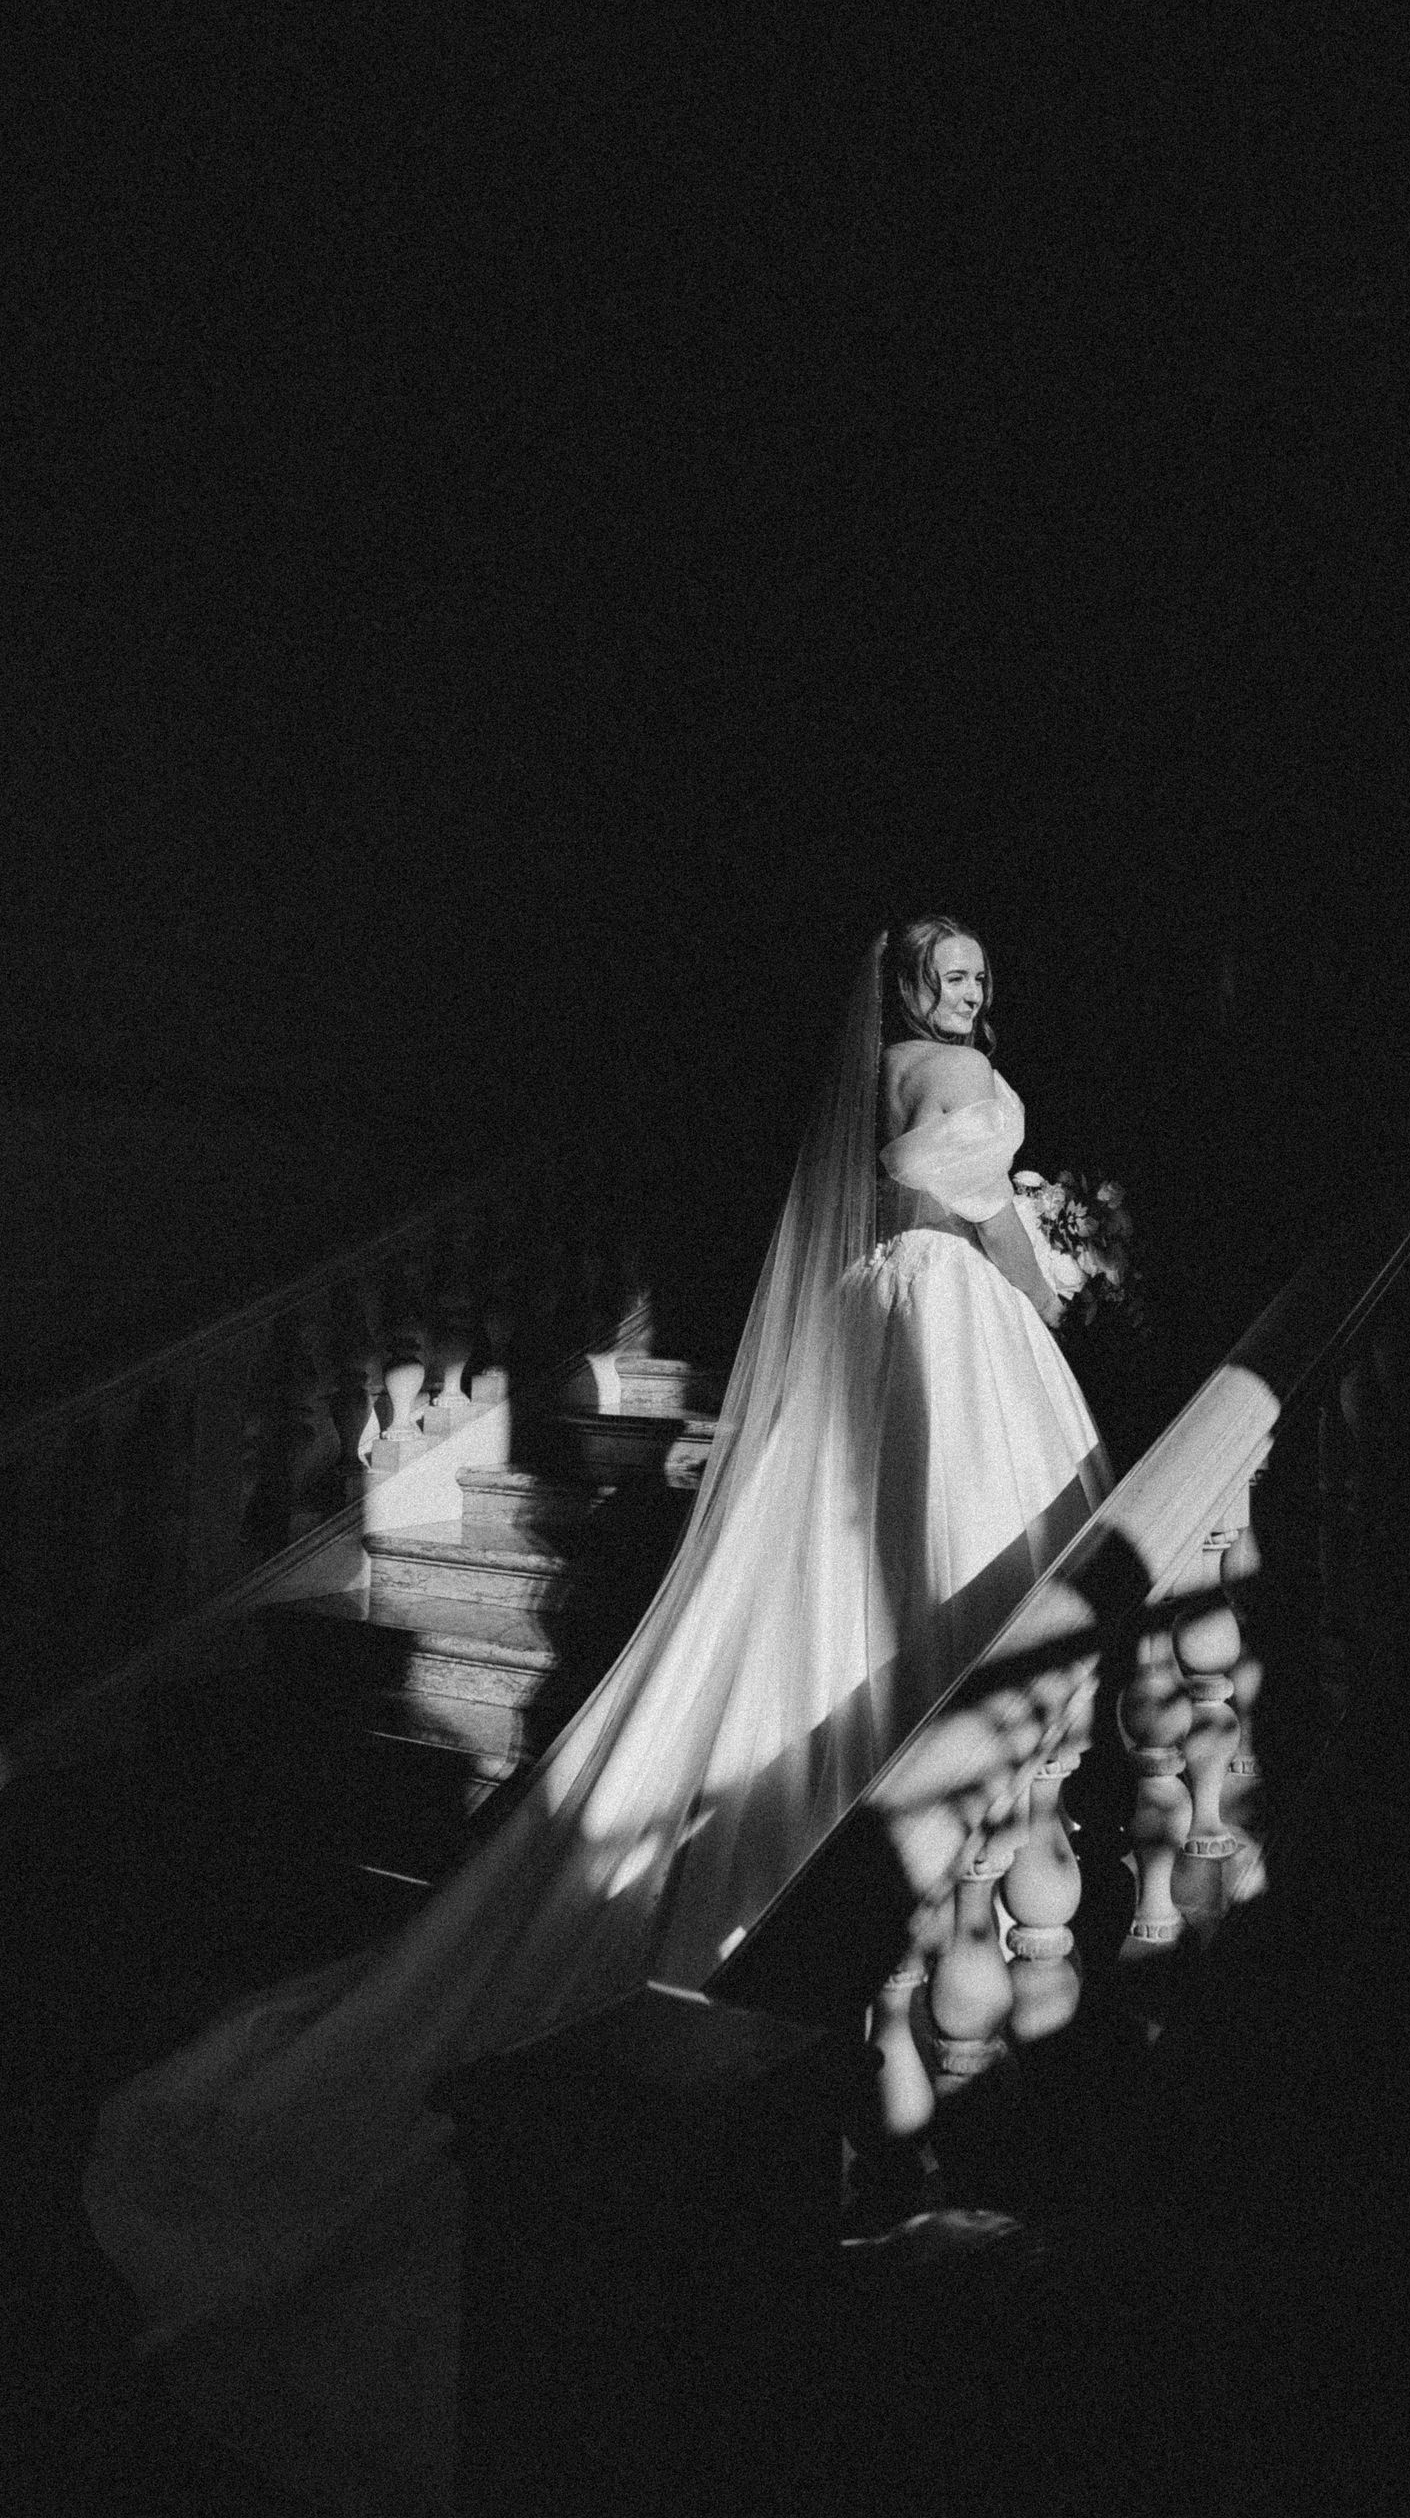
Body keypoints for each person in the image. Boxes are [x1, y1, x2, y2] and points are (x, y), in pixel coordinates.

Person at [83, 917, 1109, 2376]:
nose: (972, 994)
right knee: (932, 1580)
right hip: (941, 1310)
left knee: (944, 1590)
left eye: (984, 979)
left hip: (934, 1313)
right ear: (903, 985)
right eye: (951, 971)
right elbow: (920, 1178)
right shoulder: (929, 1080)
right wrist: (1026, 1239)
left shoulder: (903, 1080)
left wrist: (1028, 1245)